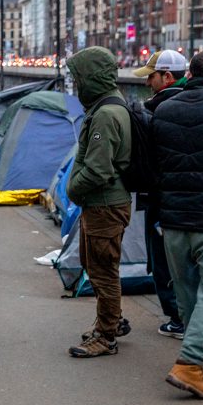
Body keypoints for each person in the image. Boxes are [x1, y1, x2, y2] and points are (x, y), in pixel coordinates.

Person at [152, 49, 203, 399]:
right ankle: (190, 363)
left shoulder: (164, 108)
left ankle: (201, 359)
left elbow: (153, 164)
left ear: (190, 73)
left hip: (173, 218)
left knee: (187, 291)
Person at [65, 47, 132, 359]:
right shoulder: (112, 106)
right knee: (102, 267)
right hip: (106, 204)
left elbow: (98, 169)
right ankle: (111, 320)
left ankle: (106, 336)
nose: (76, 86)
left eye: (79, 79)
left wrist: (73, 190)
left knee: (103, 271)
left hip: (104, 205)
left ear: (90, 78)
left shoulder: (105, 115)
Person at [133, 50, 189, 338]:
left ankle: (176, 319)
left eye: (152, 76)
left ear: (167, 76)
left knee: (163, 264)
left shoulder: (154, 110)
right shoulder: (200, 103)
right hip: (197, 202)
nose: (147, 83)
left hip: (161, 201)